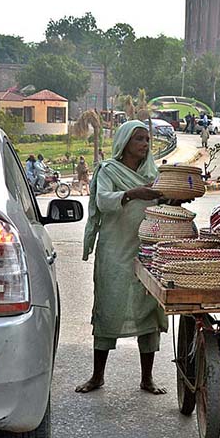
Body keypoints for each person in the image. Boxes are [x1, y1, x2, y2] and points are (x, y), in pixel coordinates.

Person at [78, 120, 167, 394]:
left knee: (148, 311)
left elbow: (163, 203)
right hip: (114, 251)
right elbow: (103, 201)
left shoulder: (155, 173)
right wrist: (131, 194)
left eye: (147, 140)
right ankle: (97, 376)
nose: (145, 144)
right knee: (108, 307)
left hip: (147, 251)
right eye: (139, 139)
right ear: (125, 142)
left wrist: (173, 197)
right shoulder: (108, 170)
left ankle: (147, 378)